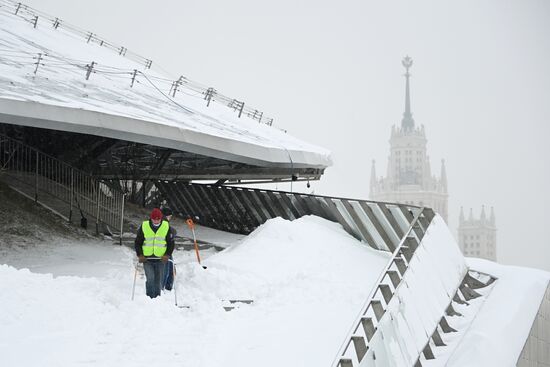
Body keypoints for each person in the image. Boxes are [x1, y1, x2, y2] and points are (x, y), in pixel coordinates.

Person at [134, 208, 174, 298]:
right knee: (150, 278)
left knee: (158, 280)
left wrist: (167, 255)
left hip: (160, 259)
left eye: (158, 219)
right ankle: (149, 298)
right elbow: (138, 242)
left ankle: (157, 299)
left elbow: (171, 243)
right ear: (151, 218)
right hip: (147, 259)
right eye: (154, 219)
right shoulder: (144, 226)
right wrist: (140, 254)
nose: (156, 221)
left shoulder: (166, 226)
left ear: (161, 218)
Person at [161, 206, 177, 291]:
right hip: (165, 250)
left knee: (168, 269)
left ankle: (165, 287)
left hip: (161, 250)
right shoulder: (164, 223)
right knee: (167, 270)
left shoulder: (156, 221)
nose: (170, 218)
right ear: (167, 216)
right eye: (170, 216)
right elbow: (171, 233)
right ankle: (165, 288)